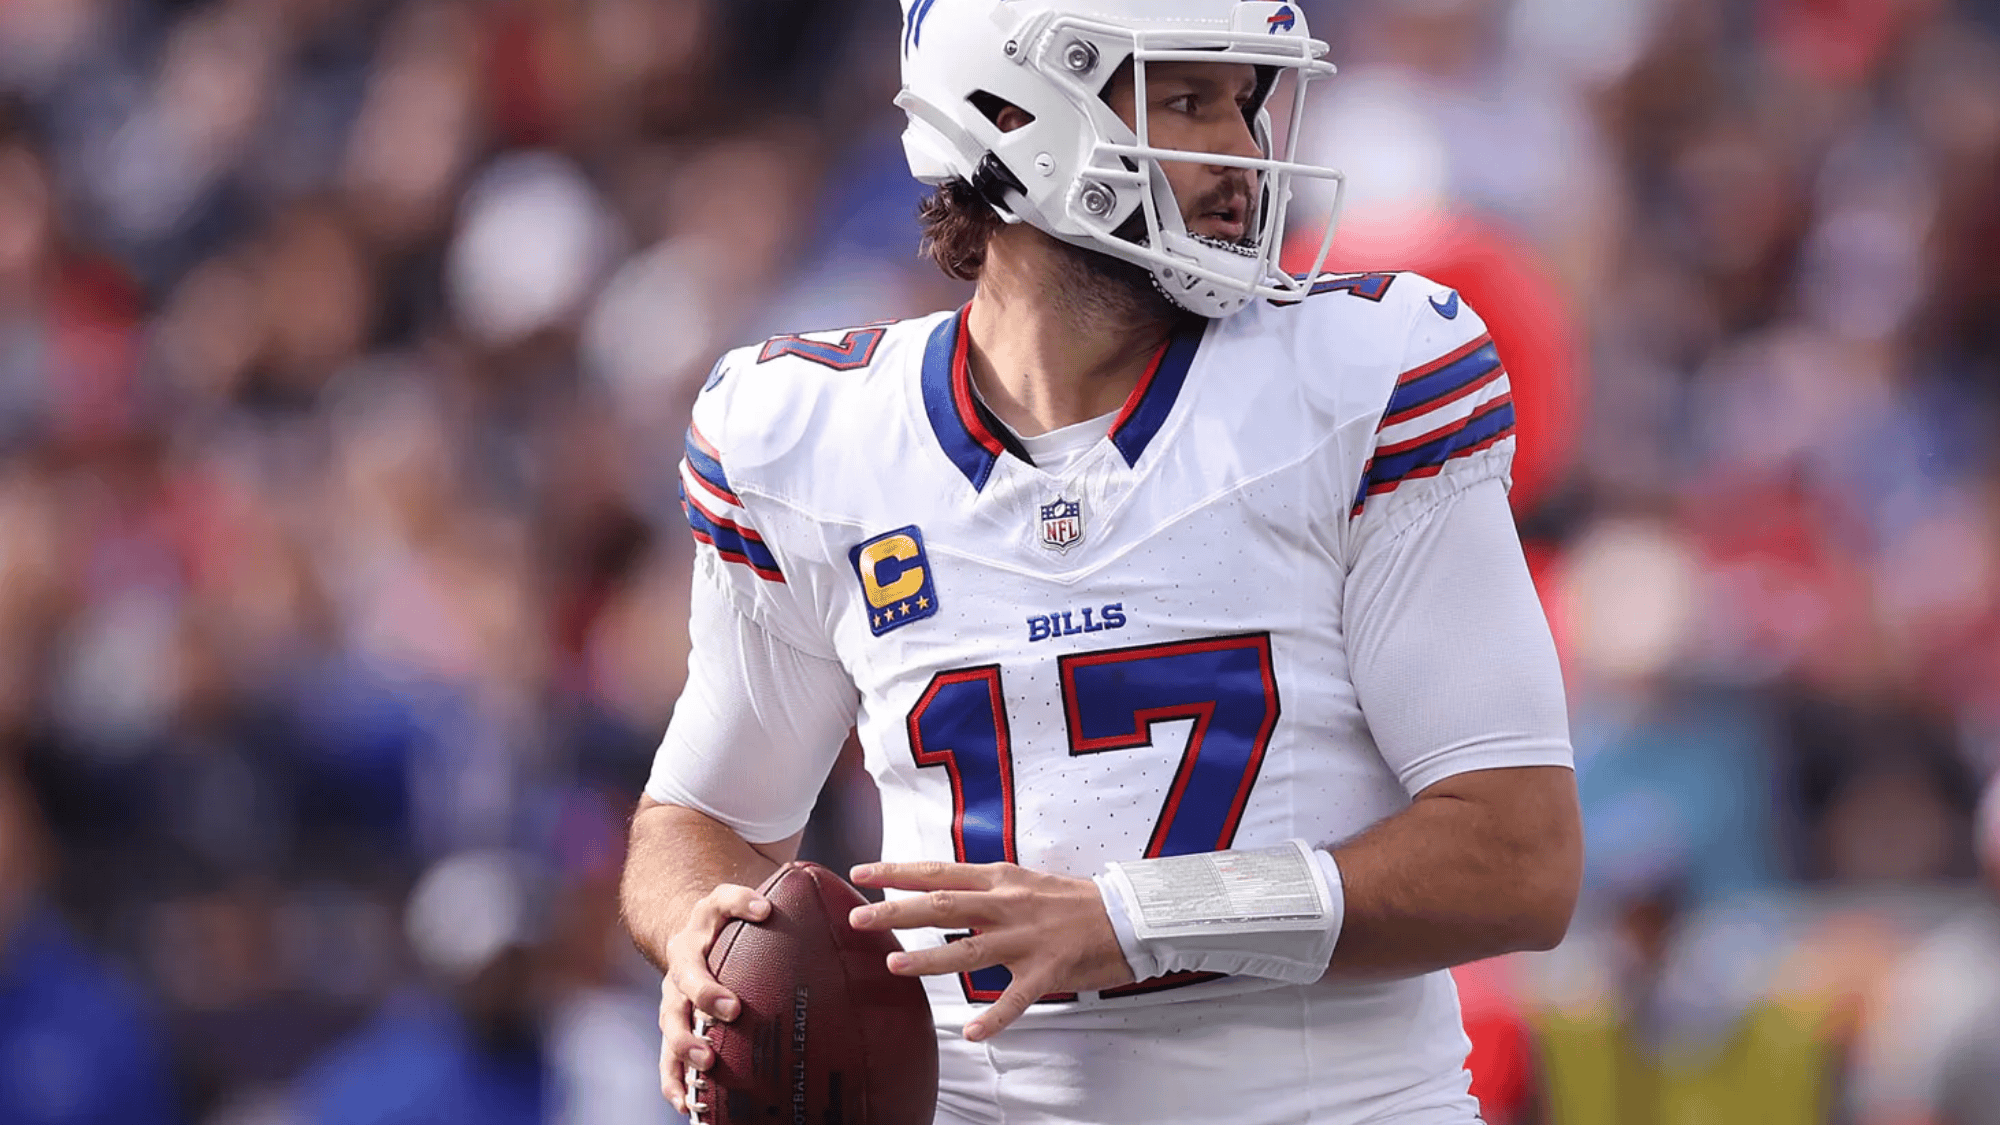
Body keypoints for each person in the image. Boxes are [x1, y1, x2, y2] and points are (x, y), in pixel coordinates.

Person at [620, 2, 1582, 1122]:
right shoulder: (808, 436)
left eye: (1241, 102)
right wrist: (702, 928)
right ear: (1011, 116)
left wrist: (1134, 917)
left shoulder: (1365, 376)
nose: (1238, 152)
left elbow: (1516, 856)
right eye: (1184, 102)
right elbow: (701, 817)